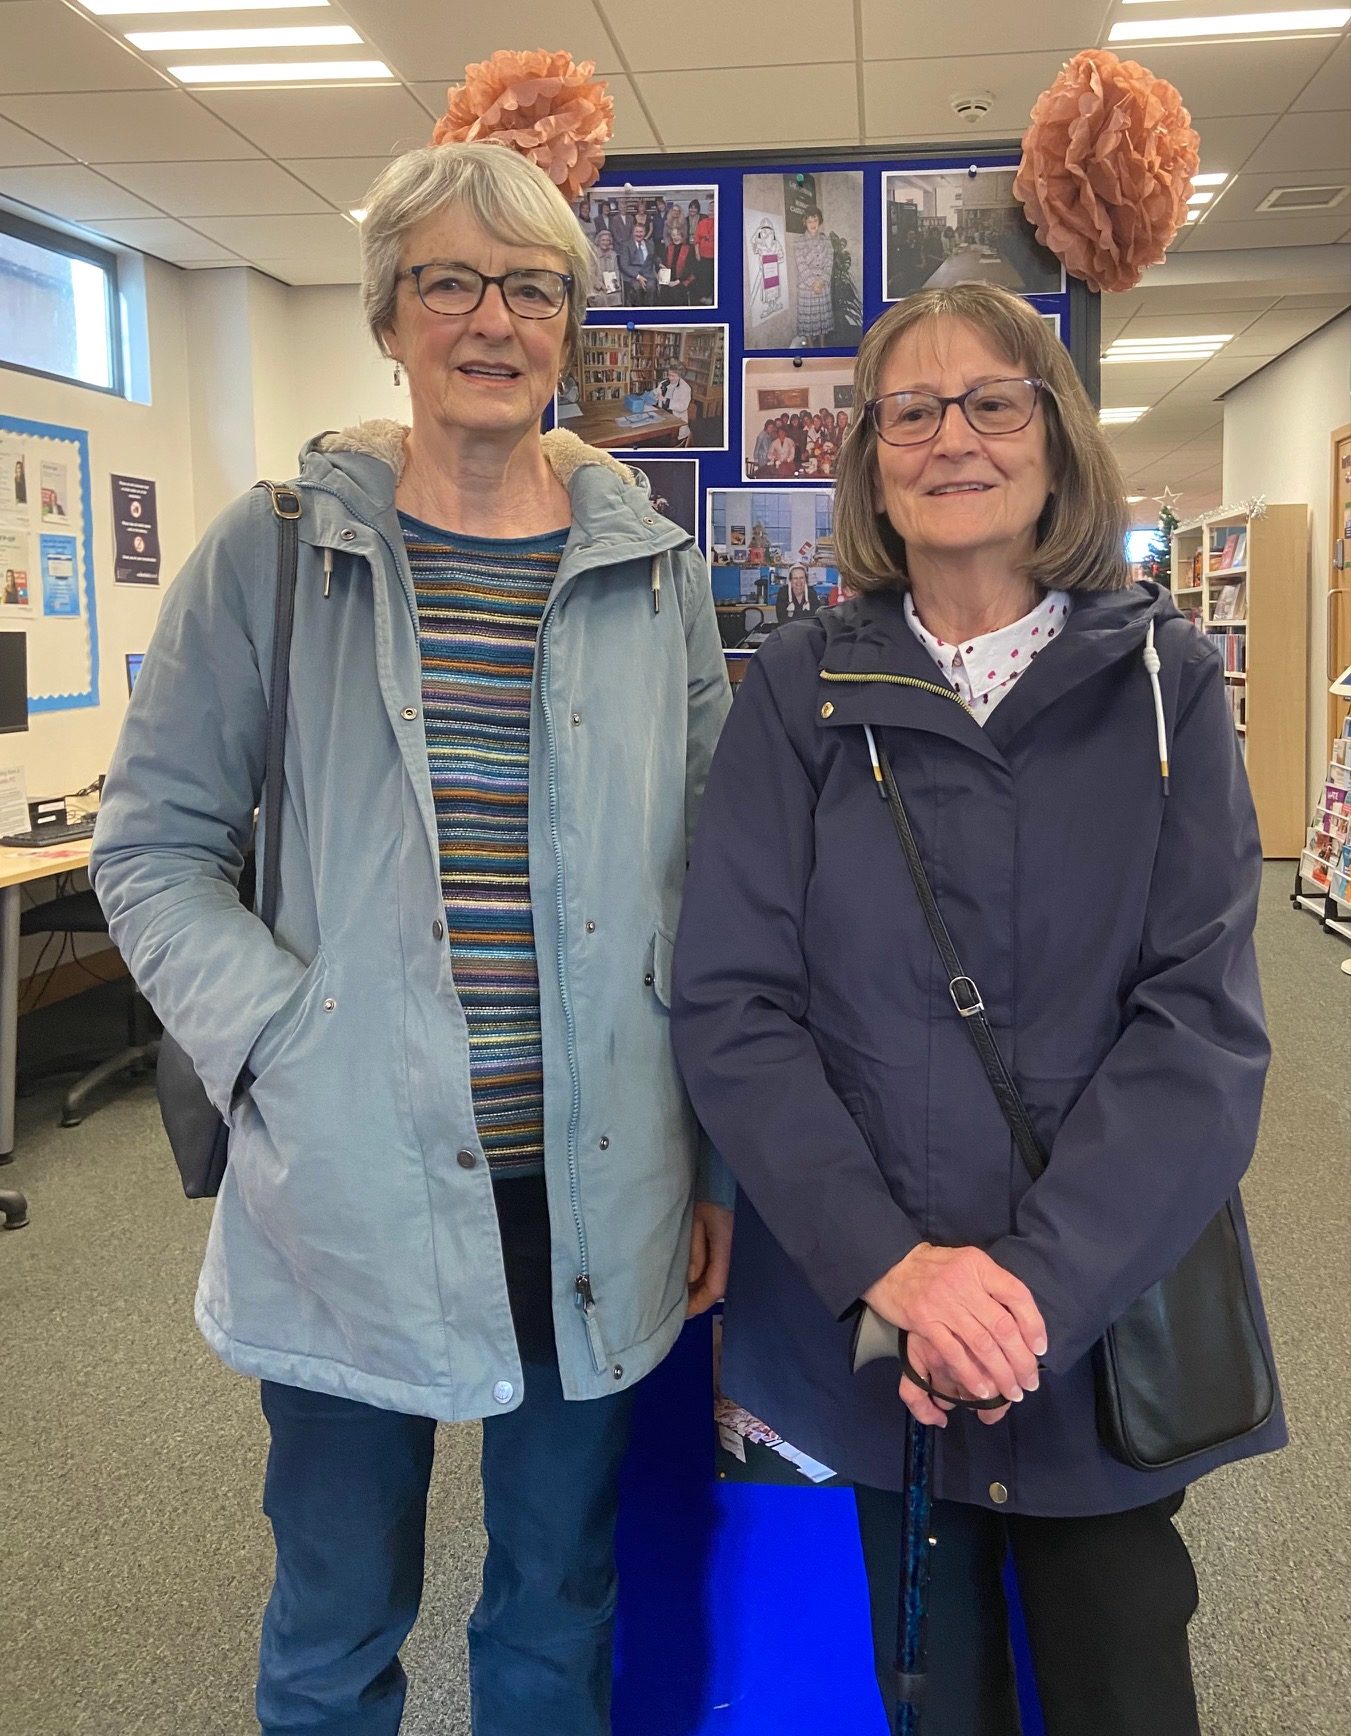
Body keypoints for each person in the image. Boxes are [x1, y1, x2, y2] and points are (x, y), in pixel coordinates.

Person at [91, 140, 734, 1736]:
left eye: (528, 288)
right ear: (389, 316)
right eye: (448, 281)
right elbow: (151, 848)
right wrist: (287, 1044)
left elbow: (718, 885)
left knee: (553, 1608)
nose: (490, 319)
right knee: (332, 1616)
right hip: (353, 1193)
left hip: (592, 1185)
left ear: (568, 326)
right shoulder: (276, 550)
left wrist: (714, 1166)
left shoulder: (654, 573)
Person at [669, 281, 1284, 1736]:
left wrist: (1022, 1303)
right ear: (872, 458)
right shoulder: (798, 695)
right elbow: (730, 1004)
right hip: (867, 1353)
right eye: (911, 409)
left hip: (1088, 1343)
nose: (953, 437)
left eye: (992, 401)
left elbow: (1198, 1028)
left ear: (1055, 440)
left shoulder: (1164, 685)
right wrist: (898, 1271)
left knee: (1122, 1685)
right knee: (908, 1703)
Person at [794, 206, 834, 347]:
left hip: (823, 286)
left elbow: (829, 262)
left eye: (815, 220)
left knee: (822, 319)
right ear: (805, 222)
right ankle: (811, 348)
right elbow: (801, 264)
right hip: (806, 288)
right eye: (809, 220)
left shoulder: (826, 240)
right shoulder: (798, 241)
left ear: (819, 221)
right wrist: (813, 283)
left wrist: (822, 281)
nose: (812, 224)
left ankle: (823, 347)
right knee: (809, 322)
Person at [657, 214, 697, 306]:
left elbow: (689, 269)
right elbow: (664, 263)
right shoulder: (669, 248)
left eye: (678, 235)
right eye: (673, 235)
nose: (676, 237)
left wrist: (676, 282)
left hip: (684, 279)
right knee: (664, 292)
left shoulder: (689, 249)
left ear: (682, 236)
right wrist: (661, 267)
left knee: (676, 293)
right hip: (670, 279)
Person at [618, 210, 657, 305]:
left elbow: (654, 257)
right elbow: (624, 265)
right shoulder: (625, 245)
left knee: (651, 287)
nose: (639, 234)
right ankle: (638, 313)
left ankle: (649, 313)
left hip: (648, 274)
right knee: (637, 287)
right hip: (632, 276)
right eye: (637, 232)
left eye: (641, 232)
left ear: (645, 233)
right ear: (633, 232)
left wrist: (660, 264)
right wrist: (638, 276)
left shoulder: (650, 244)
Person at [653, 362, 694, 445]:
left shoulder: (685, 388)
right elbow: (656, 392)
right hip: (663, 416)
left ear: (680, 376)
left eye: (673, 376)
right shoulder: (664, 383)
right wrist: (653, 395)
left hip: (676, 419)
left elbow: (682, 406)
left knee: (662, 440)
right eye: (669, 375)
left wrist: (665, 400)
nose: (670, 378)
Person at [587, 227, 623, 307]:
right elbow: (590, 274)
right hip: (595, 286)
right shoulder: (592, 254)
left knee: (615, 296)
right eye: (603, 240)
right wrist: (600, 285)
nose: (605, 242)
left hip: (610, 285)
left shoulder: (613, 255)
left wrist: (615, 284)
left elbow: (616, 271)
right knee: (600, 298)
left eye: (607, 240)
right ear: (598, 241)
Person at [690, 197, 716, 303]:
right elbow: (697, 239)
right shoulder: (702, 222)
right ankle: (703, 296)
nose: (712, 210)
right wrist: (697, 253)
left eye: (714, 208)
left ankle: (712, 297)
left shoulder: (721, 222)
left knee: (713, 277)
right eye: (710, 208)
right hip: (703, 256)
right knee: (703, 277)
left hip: (715, 257)